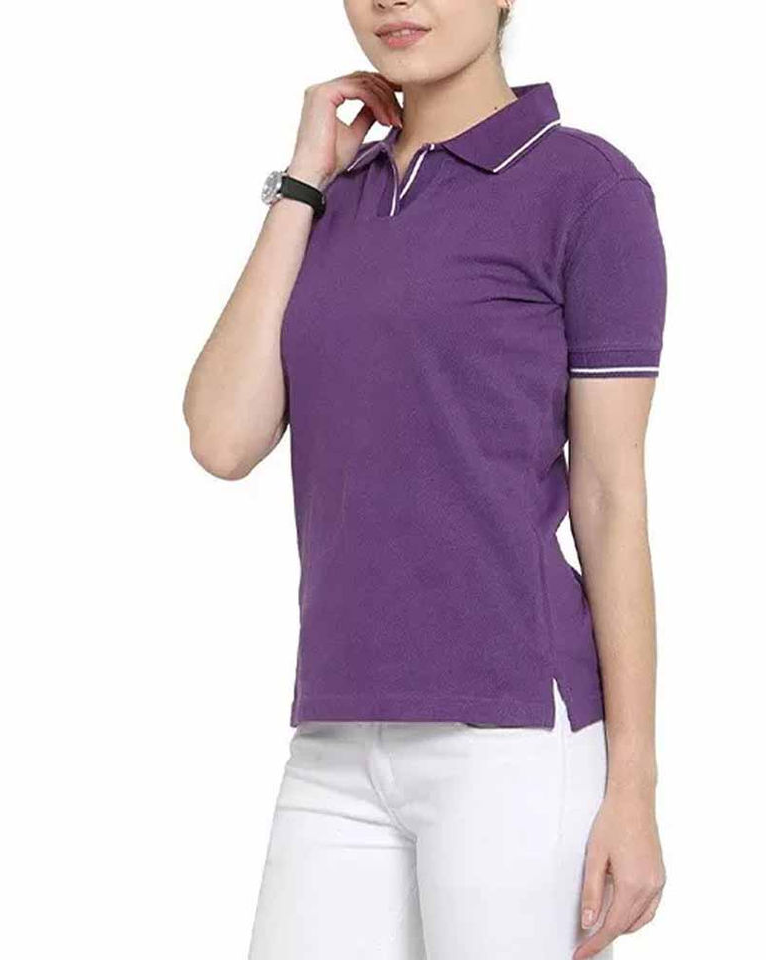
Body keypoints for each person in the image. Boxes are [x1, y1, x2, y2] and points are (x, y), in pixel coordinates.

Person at [182, 1, 667, 957]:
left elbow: (611, 500)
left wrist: (634, 787)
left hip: (513, 736)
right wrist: (302, 184)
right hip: (335, 733)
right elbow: (222, 438)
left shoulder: (587, 189)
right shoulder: (334, 197)